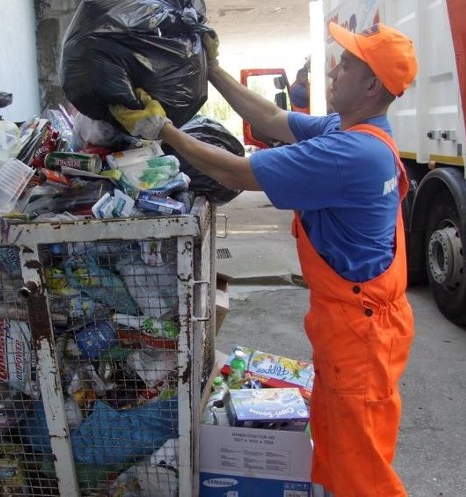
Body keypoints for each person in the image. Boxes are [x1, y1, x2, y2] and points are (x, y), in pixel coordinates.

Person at [110, 21, 418, 496]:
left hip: (361, 336)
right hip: (359, 326)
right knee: (338, 450)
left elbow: (233, 170)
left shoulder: (350, 153)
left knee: (364, 472)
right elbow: (273, 120)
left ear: (373, 84)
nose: (333, 69)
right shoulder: (357, 130)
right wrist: (213, 71)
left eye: (348, 65)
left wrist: (162, 129)